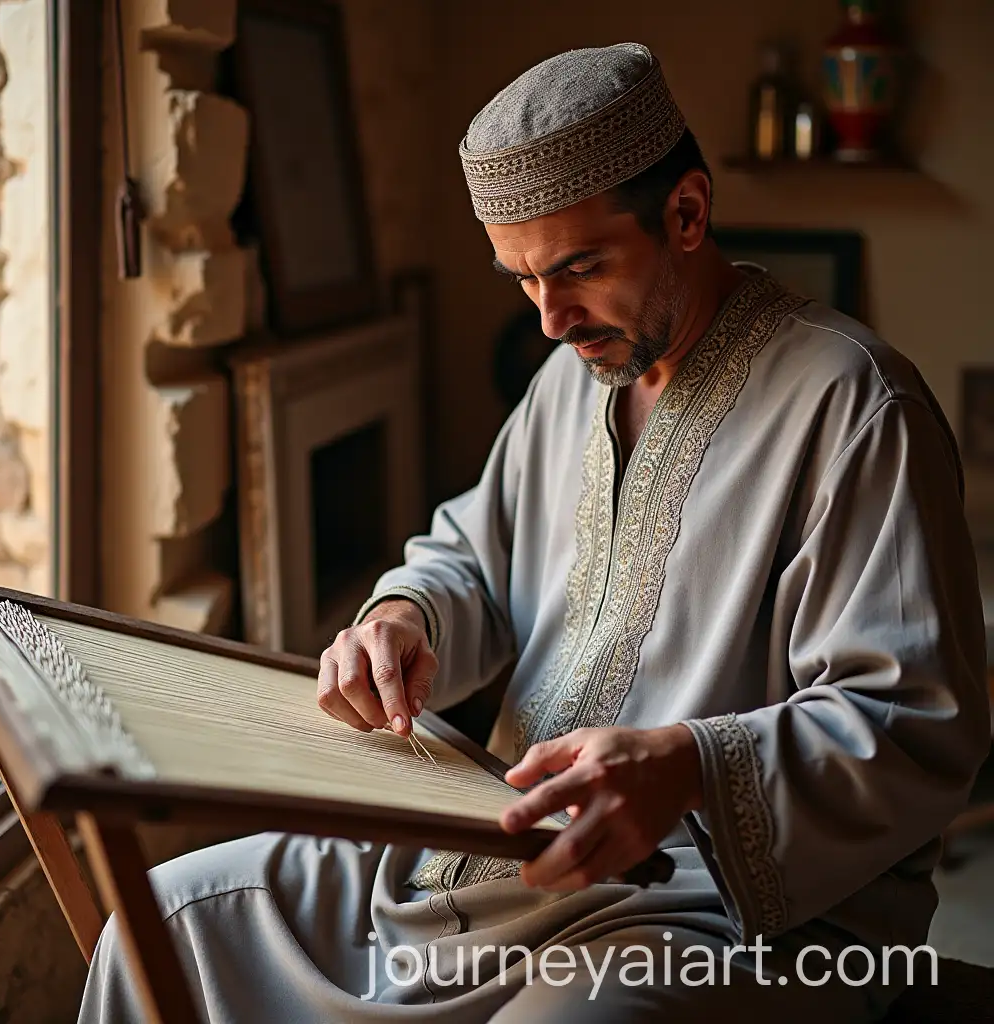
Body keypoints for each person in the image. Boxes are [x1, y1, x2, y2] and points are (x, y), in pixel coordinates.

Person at [78, 43, 989, 1022]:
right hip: (497, 845)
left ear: (686, 213)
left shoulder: (853, 402)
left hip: (722, 908)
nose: (549, 319)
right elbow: (473, 555)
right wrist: (403, 614)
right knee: (167, 917)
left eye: (579, 269)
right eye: (519, 279)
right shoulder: (574, 377)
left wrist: (687, 764)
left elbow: (914, 722)